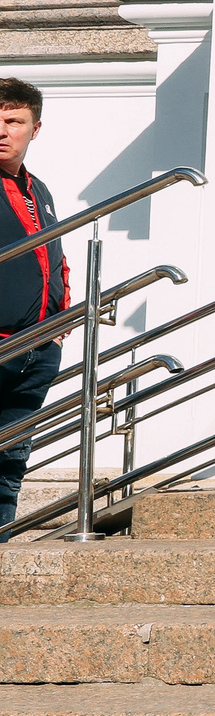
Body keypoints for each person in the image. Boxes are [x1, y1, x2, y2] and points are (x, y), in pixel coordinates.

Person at [0, 79, 65, 531]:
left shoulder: (37, 189)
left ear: (34, 129)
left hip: (37, 346)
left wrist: (61, 319)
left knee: (12, 456)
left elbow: (54, 257)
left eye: (13, 121)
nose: (2, 131)